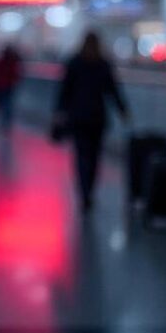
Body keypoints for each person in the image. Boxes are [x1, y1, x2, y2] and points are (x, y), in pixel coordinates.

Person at [56, 32, 129, 213]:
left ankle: (83, 192)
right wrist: (123, 110)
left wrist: (59, 111)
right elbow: (113, 90)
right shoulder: (102, 64)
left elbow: (65, 90)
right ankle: (90, 190)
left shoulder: (74, 62)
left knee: (81, 155)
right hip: (97, 117)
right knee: (95, 156)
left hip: (78, 116)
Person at [0, 45, 22, 135]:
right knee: (7, 105)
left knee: (3, 105)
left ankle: (3, 123)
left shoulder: (2, 62)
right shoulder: (12, 63)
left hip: (2, 86)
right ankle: (5, 124)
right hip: (8, 86)